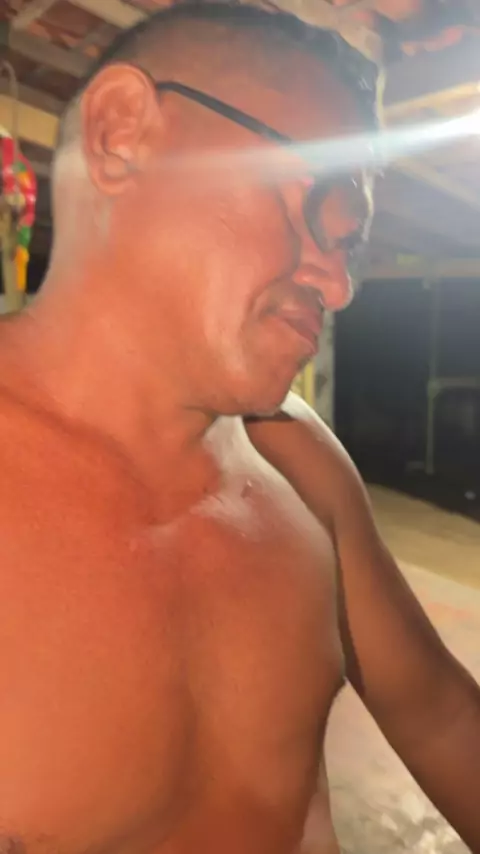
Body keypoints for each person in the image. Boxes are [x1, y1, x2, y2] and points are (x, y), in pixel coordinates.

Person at [0, 4, 478, 854]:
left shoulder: (297, 459)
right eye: (315, 205)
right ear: (122, 135)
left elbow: (437, 714)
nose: (338, 286)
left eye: (350, 245)